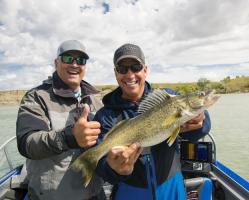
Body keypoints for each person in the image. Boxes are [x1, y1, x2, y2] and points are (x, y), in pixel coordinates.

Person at [93, 43, 211, 199]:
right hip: (130, 192)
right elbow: (102, 168)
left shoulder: (169, 98)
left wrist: (200, 122)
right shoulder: (105, 115)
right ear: (116, 73)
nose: (130, 75)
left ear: (145, 70)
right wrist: (114, 170)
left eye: (136, 67)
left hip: (171, 187)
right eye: (122, 69)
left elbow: (198, 131)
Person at [16, 40, 106, 200]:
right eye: (67, 58)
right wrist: (69, 137)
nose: (74, 64)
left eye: (81, 60)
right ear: (56, 62)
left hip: (96, 195)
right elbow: (27, 143)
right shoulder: (36, 97)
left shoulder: (96, 101)